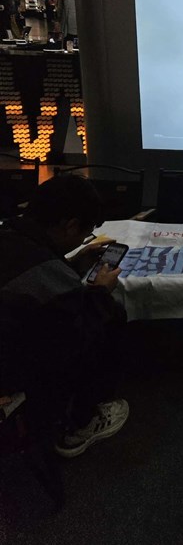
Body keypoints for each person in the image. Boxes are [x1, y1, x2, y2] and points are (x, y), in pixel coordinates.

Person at [0, 175, 129, 458]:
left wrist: (69, 263)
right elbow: (73, 339)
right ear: (70, 225)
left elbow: (27, 275)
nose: (84, 240)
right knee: (111, 317)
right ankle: (81, 423)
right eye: (86, 233)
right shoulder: (52, 279)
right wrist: (101, 292)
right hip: (12, 370)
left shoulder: (9, 233)